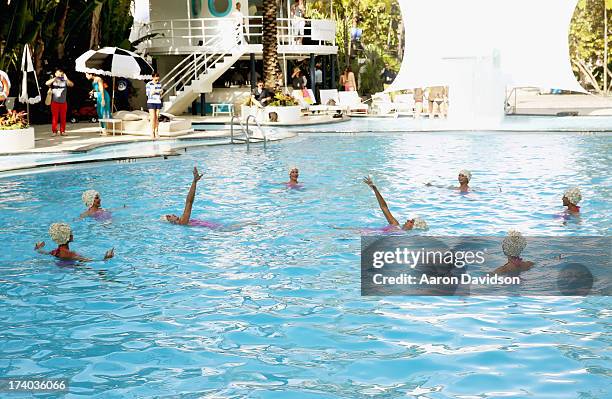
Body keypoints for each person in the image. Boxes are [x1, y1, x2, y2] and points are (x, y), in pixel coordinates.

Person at [363, 176, 428, 231]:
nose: (408, 220)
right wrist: (375, 189)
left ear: (413, 227)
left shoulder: (402, 236)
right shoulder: (395, 224)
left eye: (411, 222)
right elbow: (384, 207)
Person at [35, 222, 114, 262]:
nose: (72, 234)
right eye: (70, 233)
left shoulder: (55, 252)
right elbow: (90, 261)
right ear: (67, 236)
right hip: (70, 268)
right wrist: (106, 259)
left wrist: (38, 248)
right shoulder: (71, 254)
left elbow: (42, 252)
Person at [45, 69, 74, 136]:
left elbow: (71, 84)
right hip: (55, 102)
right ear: (55, 74)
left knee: (63, 117)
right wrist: (55, 78)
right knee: (55, 117)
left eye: (61, 74)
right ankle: (54, 131)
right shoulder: (53, 80)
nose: (60, 75)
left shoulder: (65, 80)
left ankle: (62, 131)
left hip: (63, 102)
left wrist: (66, 79)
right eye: (58, 74)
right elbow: (46, 83)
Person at [146, 72, 163, 139]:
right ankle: (152, 132)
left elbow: (160, 94)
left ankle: (156, 132)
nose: (157, 81)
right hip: (151, 102)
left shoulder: (159, 84)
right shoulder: (148, 84)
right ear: (152, 78)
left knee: (156, 117)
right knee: (152, 117)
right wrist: (154, 91)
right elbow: (148, 94)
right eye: (156, 80)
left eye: (158, 80)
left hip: (158, 101)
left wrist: (161, 92)